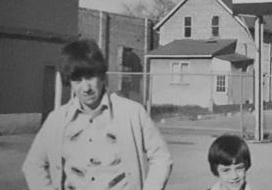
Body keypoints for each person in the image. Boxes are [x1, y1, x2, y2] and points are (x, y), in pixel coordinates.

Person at [22, 39, 173, 190]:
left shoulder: (132, 113)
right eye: (77, 80)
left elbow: (161, 157)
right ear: (69, 82)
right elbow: (33, 165)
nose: (86, 88)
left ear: (102, 76)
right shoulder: (57, 119)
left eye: (90, 77)